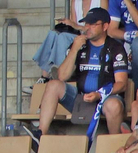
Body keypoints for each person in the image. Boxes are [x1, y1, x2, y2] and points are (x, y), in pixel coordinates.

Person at [33, 7, 131, 139]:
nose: (87, 28)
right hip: (82, 98)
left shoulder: (115, 48)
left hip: (106, 98)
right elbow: (62, 76)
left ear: (105, 26)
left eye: (93, 24)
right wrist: (74, 50)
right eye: (86, 24)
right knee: (53, 85)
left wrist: (99, 94)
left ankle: (113, 146)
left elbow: (122, 83)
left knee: (113, 105)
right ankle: (40, 135)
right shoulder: (79, 45)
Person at [33, 0, 106, 74]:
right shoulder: (74, 2)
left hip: (93, 37)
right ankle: (46, 74)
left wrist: (77, 26)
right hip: (78, 37)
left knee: (62, 37)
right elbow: (74, 30)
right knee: (54, 33)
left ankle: (51, 73)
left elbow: (102, 28)